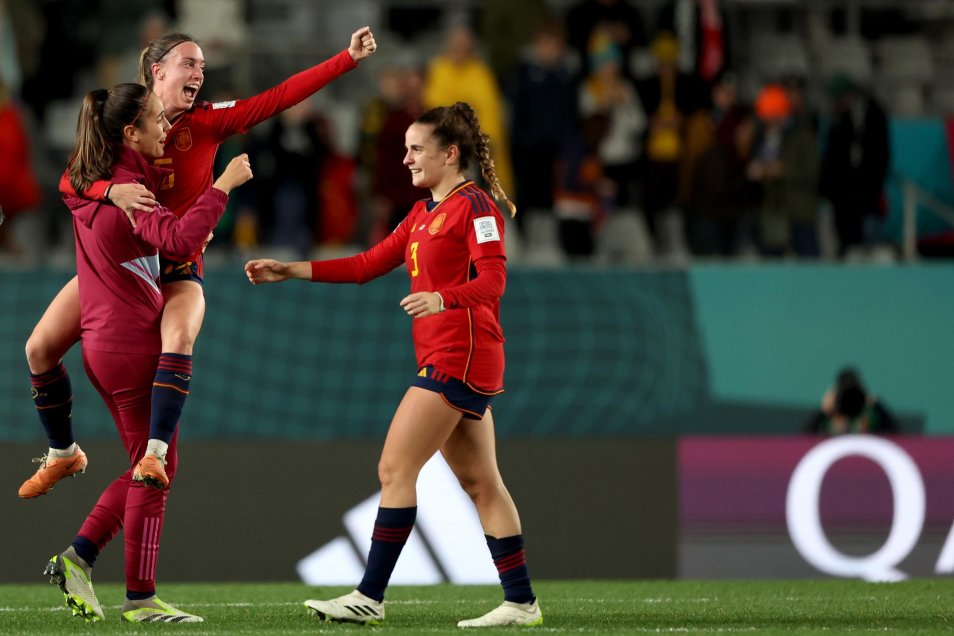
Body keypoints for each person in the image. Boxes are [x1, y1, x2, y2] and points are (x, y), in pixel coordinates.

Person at [19, 27, 377, 498]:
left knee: (180, 336)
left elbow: (276, 98)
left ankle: (156, 453)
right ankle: (63, 453)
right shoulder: (122, 118)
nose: (200, 73)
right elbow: (73, 179)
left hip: (176, 262)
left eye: (203, 66)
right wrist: (109, 190)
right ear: (157, 70)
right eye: (190, 63)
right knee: (39, 348)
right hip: (122, 266)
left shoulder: (207, 122)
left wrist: (345, 59)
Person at [244, 102, 543, 629]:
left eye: (416, 149)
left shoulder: (474, 206)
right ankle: (521, 602)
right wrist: (290, 268)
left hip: (461, 354)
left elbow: (494, 281)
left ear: (450, 155)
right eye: (405, 149)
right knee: (482, 484)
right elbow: (365, 265)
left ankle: (369, 595)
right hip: (450, 356)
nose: (405, 159)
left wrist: (443, 299)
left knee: (394, 469)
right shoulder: (423, 212)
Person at [42, 83, 252, 623]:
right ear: (130, 132)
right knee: (155, 467)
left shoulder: (92, 179)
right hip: (134, 347)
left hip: (99, 345)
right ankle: (137, 597)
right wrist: (223, 186)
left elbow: (69, 184)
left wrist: (113, 191)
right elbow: (179, 241)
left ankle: (79, 556)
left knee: (146, 463)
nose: (167, 128)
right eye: (158, 120)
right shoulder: (133, 191)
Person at [804, 367, 899, 435]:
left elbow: (899, 435)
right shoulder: (829, 413)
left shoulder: (871, 412)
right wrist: (823, 411)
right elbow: (801, 440)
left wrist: (877, 405)